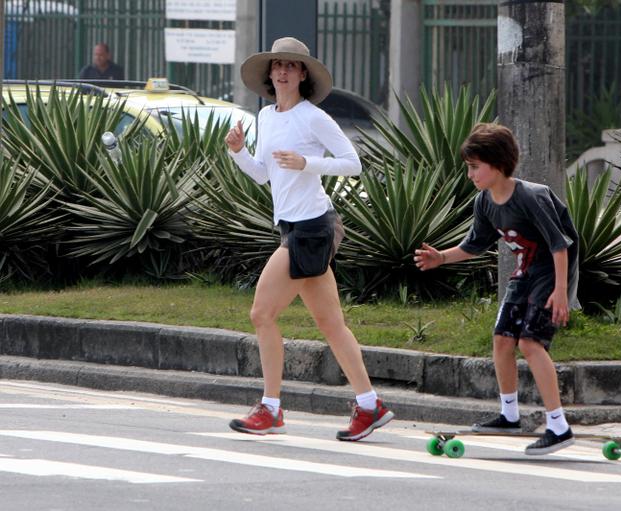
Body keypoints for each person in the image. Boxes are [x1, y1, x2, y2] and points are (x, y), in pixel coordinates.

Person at [224, 37, 394, 441]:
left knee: (261, 314)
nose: (282, 71)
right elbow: (266, 175)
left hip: (313, 227)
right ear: (269, 73)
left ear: (303, 75)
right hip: (293, 226)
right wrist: (238, 153)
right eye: (277, 64)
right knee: (331, 323)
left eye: (291, 66)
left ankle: (271, 408)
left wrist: (308, 163)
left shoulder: (312, 117)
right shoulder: (265, 117)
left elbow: (353, 163)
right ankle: (371, 406)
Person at [414, 123, 579, 455]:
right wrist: (441, 258)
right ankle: (509, 414)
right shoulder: (484, 202)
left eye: (476, 167)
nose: (471, 174)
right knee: (503, 339)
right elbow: (473, 245)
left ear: (498, 163)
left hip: (551, 273)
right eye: (469, 167)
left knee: (531, 343)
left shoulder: (531, 196)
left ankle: (559, 426)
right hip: (525, 274)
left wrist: (561, 291)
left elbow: (559, 245)